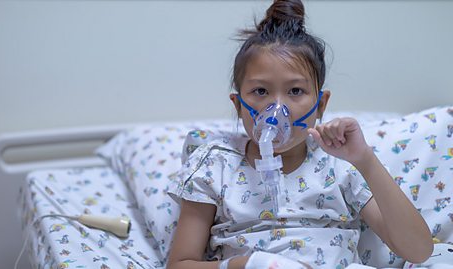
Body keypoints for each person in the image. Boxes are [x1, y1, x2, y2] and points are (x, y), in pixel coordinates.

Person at [166, 0, 433, 268]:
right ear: (238, 106)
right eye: (260, 91)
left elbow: (418, 251)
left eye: (295, 91)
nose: (277, 109)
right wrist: (246, 265)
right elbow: (180, 264)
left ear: (320, 105)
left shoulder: (340, 167)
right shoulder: (216, 165)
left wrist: (365, 160)